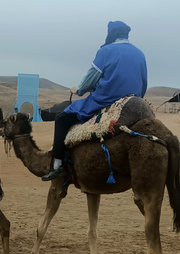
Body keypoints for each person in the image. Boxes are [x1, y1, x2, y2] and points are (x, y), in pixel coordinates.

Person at [42, 20, 148, 181]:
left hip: (106, 100)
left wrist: (78, 90)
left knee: (62, 119)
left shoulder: (105, 51)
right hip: (133, 101)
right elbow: (144, 83)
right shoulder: (140, 54)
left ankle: (57, 166)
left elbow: (89, 80)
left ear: (111, 34)